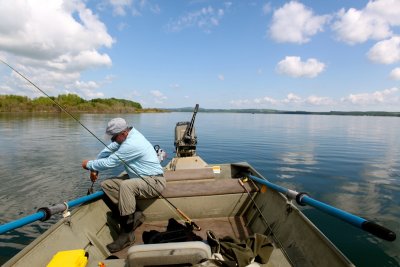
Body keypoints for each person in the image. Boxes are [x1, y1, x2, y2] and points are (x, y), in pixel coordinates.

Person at [82, 118, 166, 253]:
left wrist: (88, 165)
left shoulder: (132, 143)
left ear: (123, 133)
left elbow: (111, 163)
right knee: (107, 184)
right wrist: (95, 166)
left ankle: (127, 234)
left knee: (126, 186)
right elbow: (108, 150)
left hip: (154, 182)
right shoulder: (128, 135)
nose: (112, 141)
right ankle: (136, 214)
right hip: (139, 178)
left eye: (114, 138)